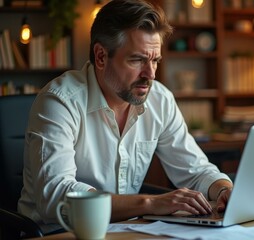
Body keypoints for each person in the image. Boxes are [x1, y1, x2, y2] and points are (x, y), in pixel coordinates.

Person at [18, 0, 233, 234]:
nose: (150, 74)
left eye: (155, 60)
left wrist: (223, 190)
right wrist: (150, 203)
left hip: (128, 230)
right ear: (101, 56)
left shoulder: (160, 100)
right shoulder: (59, 101)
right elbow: (56, 194)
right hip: (58, 234)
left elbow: (196, 170)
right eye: (137, 60)